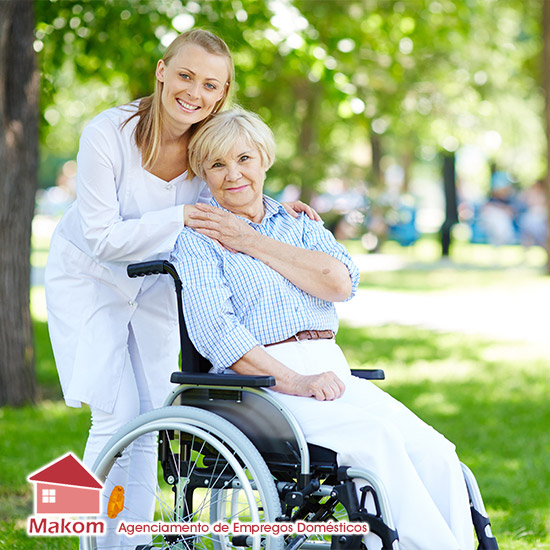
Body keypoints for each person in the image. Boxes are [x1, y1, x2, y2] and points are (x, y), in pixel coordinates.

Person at [44, 29, 316, 549]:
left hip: (153, 284)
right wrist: (181, 216)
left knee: (151, 420)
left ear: (224, 91)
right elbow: (101, 238)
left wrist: (280, 208)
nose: (195, 92)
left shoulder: (208, 140)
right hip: (89, 279)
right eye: (185, 75)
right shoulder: (108, 133)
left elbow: (236, 181)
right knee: (114, 414)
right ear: (162, 72)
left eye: (211, 84)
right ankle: (91, 543)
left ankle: (130, 541)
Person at [171, 108, 476, 550]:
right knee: (377, 441)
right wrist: (295, 380)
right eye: (217, 164)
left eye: (244, 159)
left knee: (436, 452)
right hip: (261, 386)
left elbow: (339, 283)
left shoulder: (300, 224)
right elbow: (216, 331)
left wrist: (249, 240)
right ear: (202, 171)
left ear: (264, 160)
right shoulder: (197, 239)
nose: (233, 174)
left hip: (331, 371)